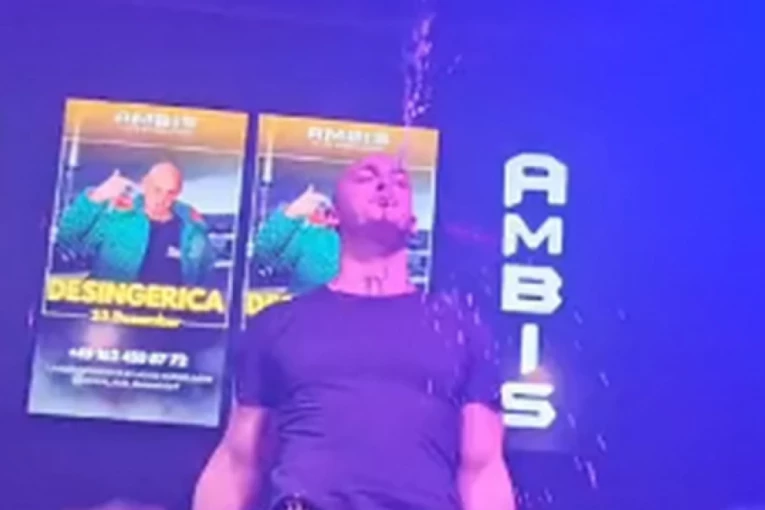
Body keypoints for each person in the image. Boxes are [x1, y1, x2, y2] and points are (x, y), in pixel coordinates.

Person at [194, 153, 515, 510]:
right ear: (332, 215)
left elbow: (483, 469)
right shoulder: (278, 324)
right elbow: (238, 462)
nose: (385, 185)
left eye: (400, 181)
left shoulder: (460, 328)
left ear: (413, 222)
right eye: (366, 177)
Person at [56, 162, 216, 286]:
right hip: (111, 312)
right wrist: (98, 196)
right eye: (157, 190)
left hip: (166, 315)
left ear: (179, 192)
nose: (162, 199)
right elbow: (68, 238)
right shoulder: (117, 218)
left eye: (170, 192)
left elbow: (204, 273)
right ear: (145, 183)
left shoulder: (192, 231)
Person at [252, 185, 340, 294]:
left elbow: (263, 255)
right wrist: (292, 214)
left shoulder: (316, 241)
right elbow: (263, 257)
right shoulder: (315, 240)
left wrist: (292, 213)